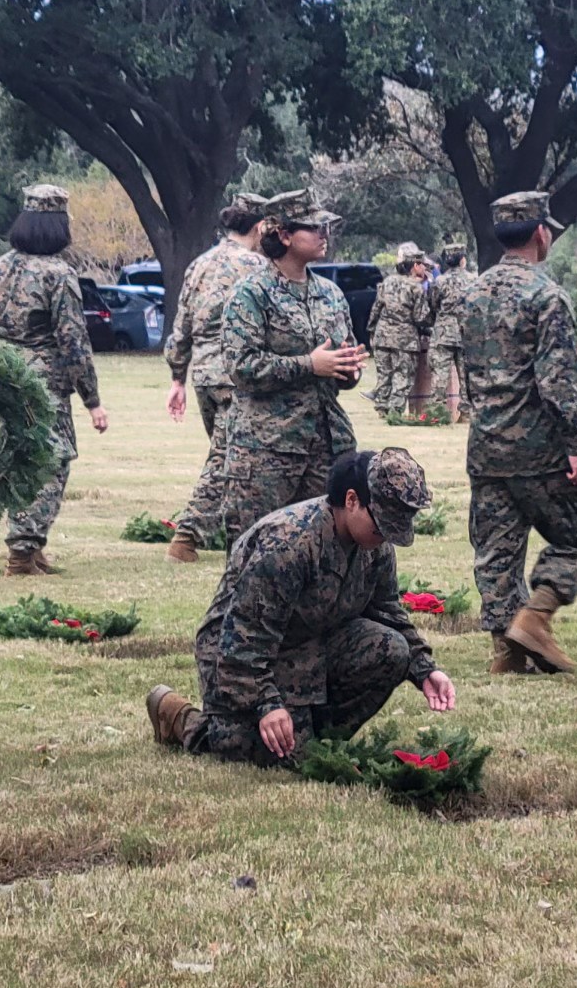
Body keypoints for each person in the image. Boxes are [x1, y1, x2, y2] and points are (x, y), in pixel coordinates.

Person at [146, 448, 455, 764]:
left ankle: (310, 733)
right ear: (351, 501)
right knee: (253, 753)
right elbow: (245, 636)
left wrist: (424, 669)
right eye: (382, 525)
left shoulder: (374, 546)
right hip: (237, 659)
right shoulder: (289, 544)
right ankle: (185, 719)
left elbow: (387, 611)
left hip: (307, 648)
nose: (388, 536)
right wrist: (266, 704)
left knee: (392, 649)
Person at [456, 190, 577, 675]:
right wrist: (575, 449)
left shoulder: (470, 293)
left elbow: (469, 370)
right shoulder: (547, 296)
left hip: (486, 444)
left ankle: (506, 651)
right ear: (542, 234)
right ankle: (535, 619)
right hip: (537, 447)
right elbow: (558, 383)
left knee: (496, 549)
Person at [220, 189, 365, 545]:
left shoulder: (330, 293)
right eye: (313, 228)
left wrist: (347, 369)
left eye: (325, 227)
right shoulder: (252, 294)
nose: (323, 235)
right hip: (268, 448)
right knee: (257, 548)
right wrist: (310, 365)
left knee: (324, 548)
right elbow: (241, 367)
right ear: (283, 235)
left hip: (327, 444)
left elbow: (337, 366)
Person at [0, 184, 107, 575]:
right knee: (53, 461)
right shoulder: (59, 274)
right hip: (45, 382)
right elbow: (73, 341)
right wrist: (93, 400)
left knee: (24, 456)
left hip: (6, 381)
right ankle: (23, 546)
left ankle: (31, 548)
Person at [164, 191, 271, 561]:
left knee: (228, 455)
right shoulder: (258, 268)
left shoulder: (200, 265)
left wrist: (177, 377)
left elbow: (182, 326)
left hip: (204, 377)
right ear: (260, 228)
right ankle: (188, 535)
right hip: (236, 375)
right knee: (227, 459)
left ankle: (236, 534)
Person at [368, 242, 430, 416]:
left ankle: (381, 408)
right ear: (415, 266)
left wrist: (372, 330)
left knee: (384, 374)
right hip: (405, 338)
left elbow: (376, 308)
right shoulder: (415, 288)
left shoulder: (387, 282)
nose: (425, 267)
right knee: (402, 374)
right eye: (423, 264)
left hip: (383, 335)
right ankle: (395, 410)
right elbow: (420, 318)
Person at [426, 236, 473, 422]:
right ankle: (467, 413)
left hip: (443, 333)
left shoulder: (440, 282)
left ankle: (436, 413)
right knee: (466, 375)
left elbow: (432, 304)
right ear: (463, 260)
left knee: (440, 374)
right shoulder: (473, 280)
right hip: (466, 332)